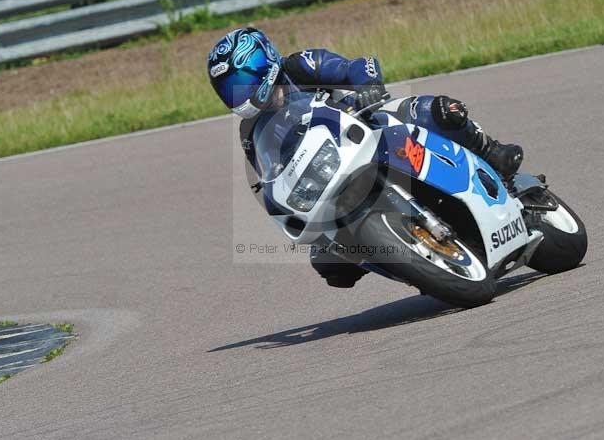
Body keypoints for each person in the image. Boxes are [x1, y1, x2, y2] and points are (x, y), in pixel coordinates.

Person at [208, 27, 523, 288]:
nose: (237, 94)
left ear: (264, 65)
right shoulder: (250, 133)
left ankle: (490, 153)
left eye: (240, 83)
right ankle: (400, 255)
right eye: (229, 90)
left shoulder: (300, 67)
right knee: (328, 262)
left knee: (440, 111)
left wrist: (367, 87)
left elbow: (360, 65)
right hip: (328, 172)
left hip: (370, 123)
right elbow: (268, 179)